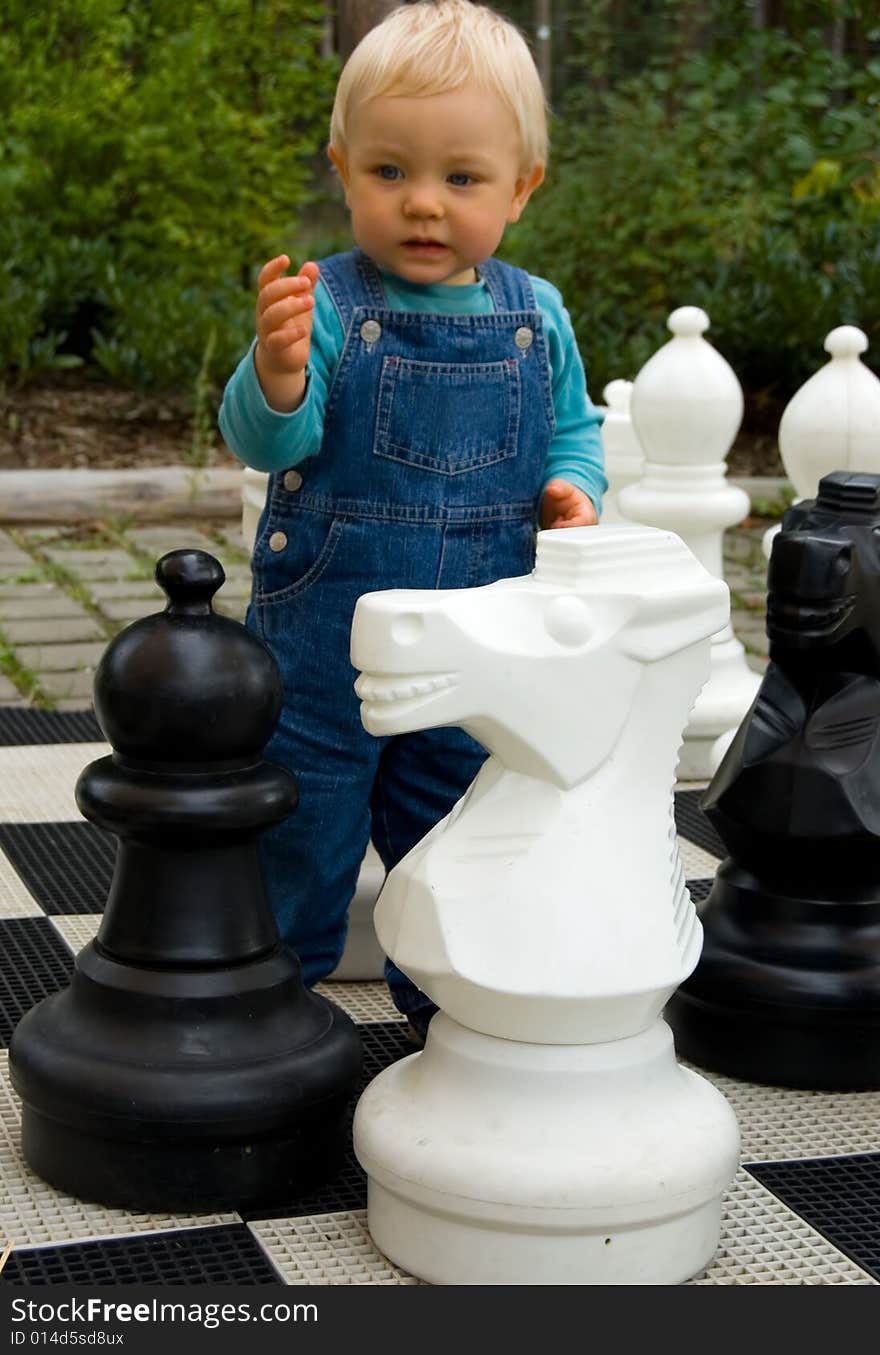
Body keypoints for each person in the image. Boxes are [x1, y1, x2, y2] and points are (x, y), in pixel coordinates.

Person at [219, 0, 607, 1043]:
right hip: (326, 643)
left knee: (459, 830)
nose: (422, 204)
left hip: (478, 649)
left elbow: (572, 432)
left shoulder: (539, 313)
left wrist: (575, 494)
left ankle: (452, 1017)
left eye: (462, 178)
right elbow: (268, 443)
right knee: (302, 821)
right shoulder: (329, 302)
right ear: (342, 169)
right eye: (388, 173)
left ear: (521, 187)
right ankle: (271, 1008)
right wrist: (278, 370)